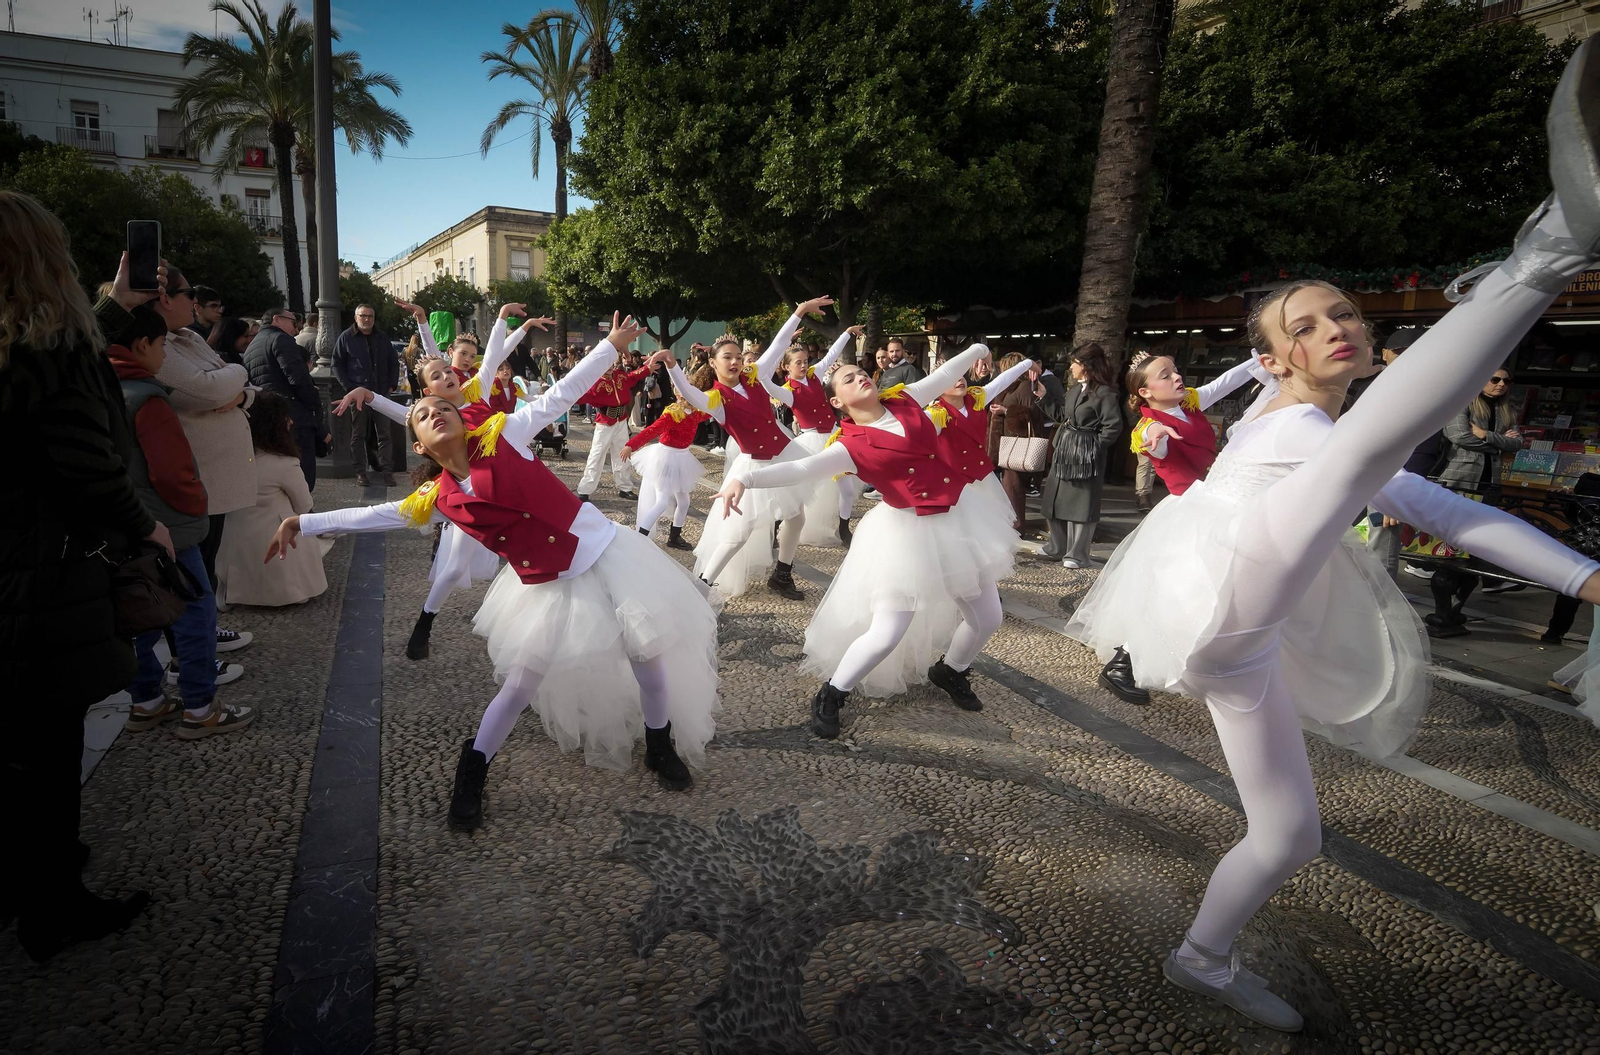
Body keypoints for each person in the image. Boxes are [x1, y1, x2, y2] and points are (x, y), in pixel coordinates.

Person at [1067, 48, 1600, 1026]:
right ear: (1273, 359)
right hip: (1222, 577)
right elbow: (1369, 446)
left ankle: (1202, 953)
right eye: (1305, 325)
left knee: (1288, 834)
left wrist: (1584, 575)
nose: (1335, 328)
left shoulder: (1318, 428)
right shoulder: (1301, 425)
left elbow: (1439, 507)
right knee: (1358, 455)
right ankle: (1550, 251)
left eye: (1343, 312)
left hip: (1243, 644)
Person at [268, 313, 720, 831]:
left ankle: (659, 744)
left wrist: (611, 349)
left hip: (606, 552)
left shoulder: (506, 434)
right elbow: (374, 515)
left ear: (464, 418)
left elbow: (561, 396)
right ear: (418, 443)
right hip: (548, 584)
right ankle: (473, 771)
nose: (436, 411)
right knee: (520, 685)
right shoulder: (437, 498)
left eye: (444, 406)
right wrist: (303, 520)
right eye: (422, 414)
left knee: (648, 656)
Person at [1, 195, 163, 962]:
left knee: (23, 742)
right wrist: (144, 523)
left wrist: (111, 306)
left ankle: (37, 872)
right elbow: (87, 461)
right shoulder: (48, 346)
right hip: (44, 578)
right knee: (48, 742)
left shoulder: (20, 345)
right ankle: (53, 903)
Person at [714, 341, 1013, 732]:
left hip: (957, 518)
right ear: (837, 401)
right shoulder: (849, 446)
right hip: (905, 532)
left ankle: (952, 670)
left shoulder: (907, 399)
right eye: (847, 379)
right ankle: (834, 692)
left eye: (860, 373)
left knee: (988, 616)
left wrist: (976, 348)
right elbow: (803, 469)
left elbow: (942, 374)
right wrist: (743, 477)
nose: (858, 378)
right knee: (888, 630)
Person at [333, 302, 551, 659]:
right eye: (441, 372)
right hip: (472, 492)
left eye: (455, 367)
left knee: (528, 551)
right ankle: (425, 622)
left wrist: (510, 322)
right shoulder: (431, 415)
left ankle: (533, 631)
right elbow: (400, 406)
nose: (452, 372)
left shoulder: (477, 392)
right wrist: (368, 395)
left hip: (511, 484)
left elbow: (496, 352)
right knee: (453, 568)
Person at [96, 263, 259, 657]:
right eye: (191, 296)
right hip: (193, 484)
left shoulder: (186, 337)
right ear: (167, 298)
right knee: (188, 575)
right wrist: (236, 374)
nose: (197, 303)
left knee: (205, 564)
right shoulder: (154, 345)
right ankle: (188, 659)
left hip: (215, 480)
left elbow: (238, 388)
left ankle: (201, 639)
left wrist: (236, 390)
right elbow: (207, 390)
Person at [110, 304, 254, 743]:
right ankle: (199, 707)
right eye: (159, 347)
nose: (163, 356)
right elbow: (173, 472)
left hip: (124, 526)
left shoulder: (100, 387)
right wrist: (195, 509)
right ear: (142, 346)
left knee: (139, 614)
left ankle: (147, 701)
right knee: (194, 613)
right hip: (167, 525)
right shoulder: (148, 398)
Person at [1096, 352, 1275, 704]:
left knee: (1207, 591)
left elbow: (1224, 384)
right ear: (1146, 392)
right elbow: (1155, 442)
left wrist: (1257, 363)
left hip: (1219, 506)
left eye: (1175, 370)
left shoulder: (1189, 403)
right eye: (1166, 375)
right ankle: (1123, 664)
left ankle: (1145, 657)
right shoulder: (1145, 427)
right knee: (1179, 591)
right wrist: (1157, 432)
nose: (1177, 377)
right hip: (1190, 515)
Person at [666, 297, 838, 599]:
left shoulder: (755, 376)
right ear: (713, 363)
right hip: (754, 465)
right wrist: (672, 368)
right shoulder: (716, 399)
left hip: (785, 455)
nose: (734, 362)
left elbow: (777, 345)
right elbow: (690, 395)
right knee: (738, 534)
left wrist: (798, 312)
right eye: (727, 358)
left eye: (737, 357)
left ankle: (782, 574)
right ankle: (702, 587)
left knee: (796, 516)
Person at [216, 393, 325, 607]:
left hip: (233, 544)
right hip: (276, 547)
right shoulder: (284, 463)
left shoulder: (231, 459)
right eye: (285, 417)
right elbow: (305, 505)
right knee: (296, 520)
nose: (291, 421)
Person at [1040, 344, 1122, 568]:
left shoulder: (1104, 394)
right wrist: (1043, 396)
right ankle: (1056, 547)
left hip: (1086, 455)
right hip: (1065, 450)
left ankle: (1077, 554)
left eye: (1074, 363)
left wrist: (1093, 448)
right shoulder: (1075, 390)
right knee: (1053, 499)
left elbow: (1113, 426)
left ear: (1086, 365)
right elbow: (1061, 415)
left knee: (1081, 505)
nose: (1070, 368)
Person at [784, 326, 864, 547]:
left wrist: (846, 333)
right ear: (786, 367)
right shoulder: (787, 390)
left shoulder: (814, 376)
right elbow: (764, 379)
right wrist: (783, 342)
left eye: (805, 361)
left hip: (835, 437)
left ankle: (843, 528)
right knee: (802, 488)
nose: (803, 365)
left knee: (847, 488)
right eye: (797, 362)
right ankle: (779, 525)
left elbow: (831, 356)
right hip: (810, 441)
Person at [622, 377, 712, 549]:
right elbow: (651, 430)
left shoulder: (696, 413)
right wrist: (630, 446)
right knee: (662, 501)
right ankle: (639, 538)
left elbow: (715, 407)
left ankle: (674, 537)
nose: (688, 398)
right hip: (666, 458)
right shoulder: (672, 414)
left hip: (682, 458)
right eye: (684, 394)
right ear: (678, 395)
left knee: (684, 502)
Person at [244, 308, 327, 490]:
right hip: (293, 416)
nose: (296, 329)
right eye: (293, 322)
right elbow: (298, 378)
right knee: (302, 475)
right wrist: (313, 403)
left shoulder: (253, 345)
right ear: (277, 319)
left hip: (267, 418)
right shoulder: (281, 339)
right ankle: (302, 515)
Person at [333, 303, 400, 486]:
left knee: (385, 434)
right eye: (363, 316)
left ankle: (387, 471)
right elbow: (336, 364)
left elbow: (393, 362)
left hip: (381, 393)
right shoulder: (346, 337)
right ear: (356, 318)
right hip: (358, 395)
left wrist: (392, 386)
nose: (367, 319)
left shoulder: (382, 337)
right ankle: (361, 473)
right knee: (358, 434)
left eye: (370, 316)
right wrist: (349, 388)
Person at [575, 346, 653, 501]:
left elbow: (632, 377)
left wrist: (647, 369)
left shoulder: (620, 376)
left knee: (623, 455)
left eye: (610, 364)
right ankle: (585, 490)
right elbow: (580, 396)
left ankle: (625, 487)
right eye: (605, 365)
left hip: (621, 421)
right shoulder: (595, 382)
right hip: (604, 424)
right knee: (597, 455)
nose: (609, 367)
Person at [988, 352, 1048, 536]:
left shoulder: (1023, 388)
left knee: (1013, 487)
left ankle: (1016, 527)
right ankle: (1013, 525)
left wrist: (1006, 411)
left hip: (1017, 444)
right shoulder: (1013, 387)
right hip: (1008, 443)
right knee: (1010, 487)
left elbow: (1030, 416)